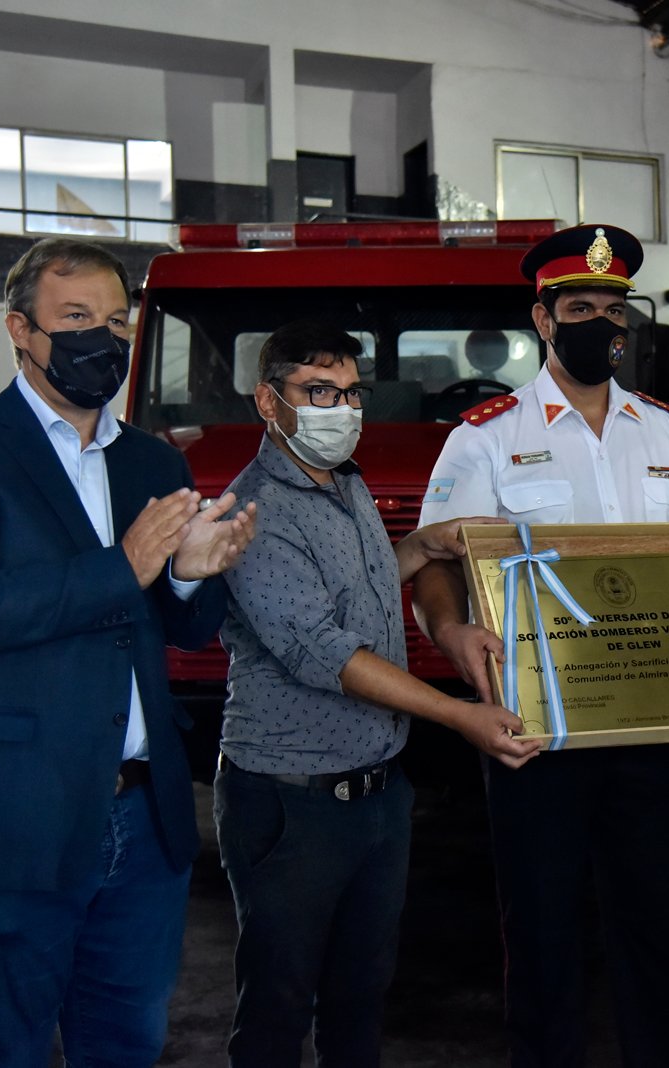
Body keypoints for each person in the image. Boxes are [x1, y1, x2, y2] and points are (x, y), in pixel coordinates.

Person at [0, 237, 257, 1067]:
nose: (103, 339)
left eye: (117, 321)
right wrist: (124, 565)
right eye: (77, 317)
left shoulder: (151, 459)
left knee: (126, 1043)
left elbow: (183, 629)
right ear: (21, 330)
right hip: (9, 818)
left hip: (141, 819)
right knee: (2, 1045)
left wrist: (190, 575)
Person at [412, 224, 669, 1067]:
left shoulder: (667, 432)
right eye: (580, 308)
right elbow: (434, 561)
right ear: (543, 320)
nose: (601, 324)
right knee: (541, 930)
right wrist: (450, 630)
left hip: (653, 721)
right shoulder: (485, 436)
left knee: (654, 925)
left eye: (613, 310)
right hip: (537, 726)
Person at [213, 320, 539, 1067]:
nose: (341, 409)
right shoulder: (255, 511)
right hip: (293, 802)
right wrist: (459, 714)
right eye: (318, 392)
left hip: (378, 794)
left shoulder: (347, 482)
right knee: (276, 1009)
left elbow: (355, 595)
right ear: (269, 400)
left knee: (360, 1000)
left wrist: (421, 546)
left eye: (352, 393)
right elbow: (323, 650)